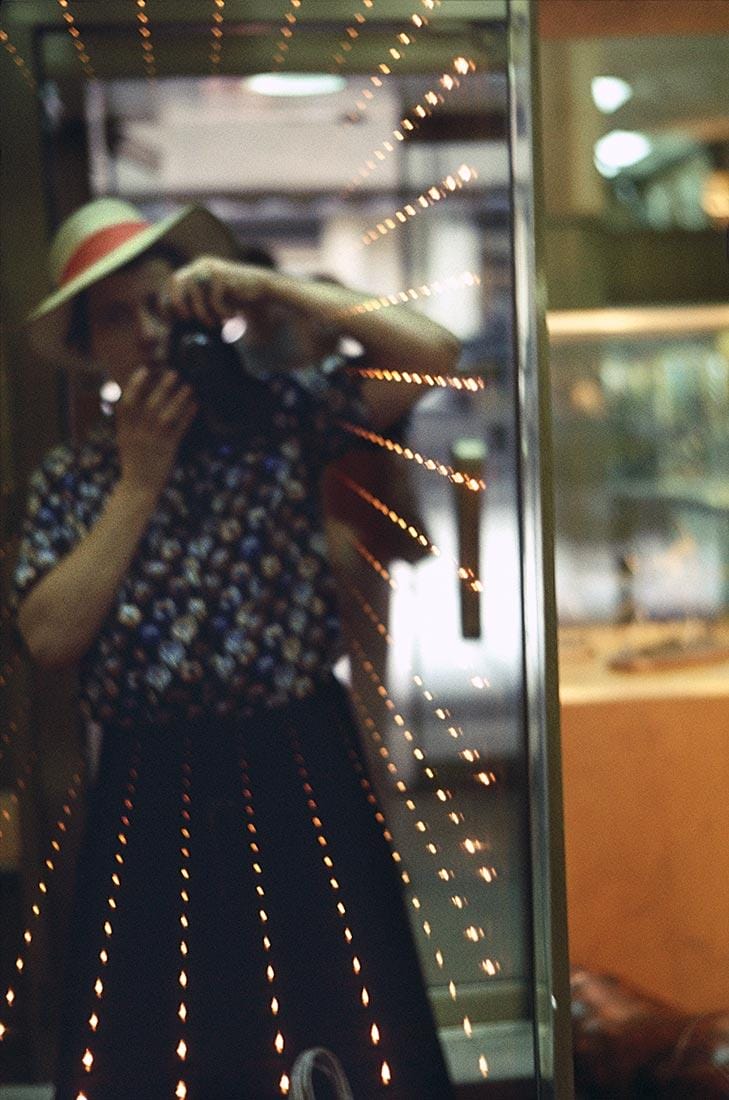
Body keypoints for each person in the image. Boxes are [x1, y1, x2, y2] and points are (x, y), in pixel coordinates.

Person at [11, 197, 460, 1100]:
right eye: (115, 317)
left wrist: (269, 289)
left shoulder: (274, 421)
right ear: (90, 348)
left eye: (158, 304)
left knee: (345, 1018)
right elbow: (48, 637)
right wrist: (138, 483)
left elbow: (434, 354)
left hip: (298, 761)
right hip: (149, 784)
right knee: (154, 1043)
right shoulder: (74, 477)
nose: (145, 333)